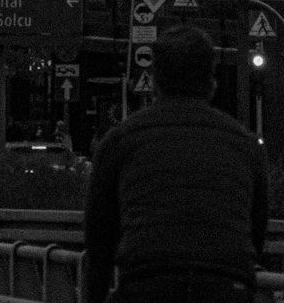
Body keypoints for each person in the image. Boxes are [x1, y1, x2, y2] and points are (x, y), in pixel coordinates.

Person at [84, 25, 268, 303]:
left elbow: (99, 245)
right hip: (227, 287)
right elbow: (255, 235)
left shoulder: (121, 141)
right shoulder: (244, 145)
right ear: (211, 82)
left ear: (156, 80)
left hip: (146, 286)